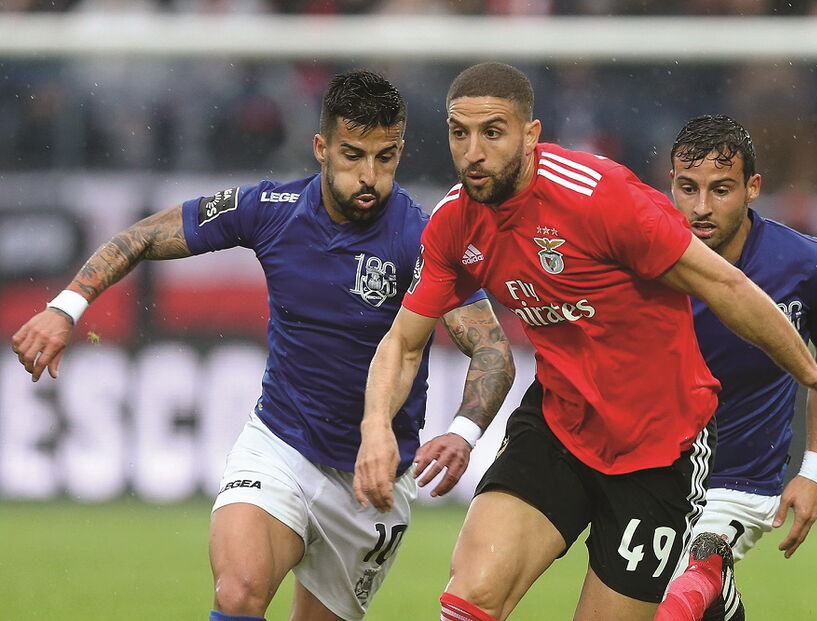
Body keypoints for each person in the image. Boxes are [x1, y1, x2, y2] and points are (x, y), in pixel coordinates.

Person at [353, 62, 817, 621]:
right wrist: (374, 429)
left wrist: (810, 371)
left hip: (661, 446)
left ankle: (717, 598)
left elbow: (723, 284)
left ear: (530, 135)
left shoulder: (600, 197)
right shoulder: (454, 222)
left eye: (493, 131)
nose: (473, 151)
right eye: (460, 132)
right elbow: (404, 342)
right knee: (470, 595)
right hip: (559, 423)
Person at [10, 71, 515, 621]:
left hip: (374, 480)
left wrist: (464, 433)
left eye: (385, 157)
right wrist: (67, 307)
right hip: (281, 447)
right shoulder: (273, 209)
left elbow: (492, 350)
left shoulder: (423, 238)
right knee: (239, 593)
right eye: (352, 155)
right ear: (321, 148)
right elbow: (143, 236)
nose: (369, 176)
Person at [660, 114, 817, 620]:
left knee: (683, 594)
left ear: (753, 187)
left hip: (743, 483)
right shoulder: (646, 261)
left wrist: (814, 472)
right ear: (672, 186)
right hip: (654, 473)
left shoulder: (808, 265)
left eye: (721, 189)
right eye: (689, 188)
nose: (702, 207)